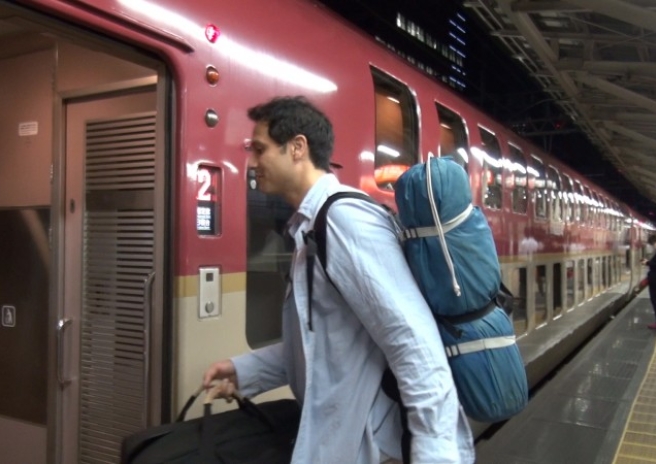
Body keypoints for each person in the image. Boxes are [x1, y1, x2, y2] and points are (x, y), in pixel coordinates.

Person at [202, 96, 474, 463]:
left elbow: (414, 345)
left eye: (260, 150)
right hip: (338, 441)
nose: (252, 163)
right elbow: (325, 344)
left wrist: (436, 456)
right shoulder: (309, 227)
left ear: (297, 148)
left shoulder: (344, 221)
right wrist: (244, 371)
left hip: (368, 445)